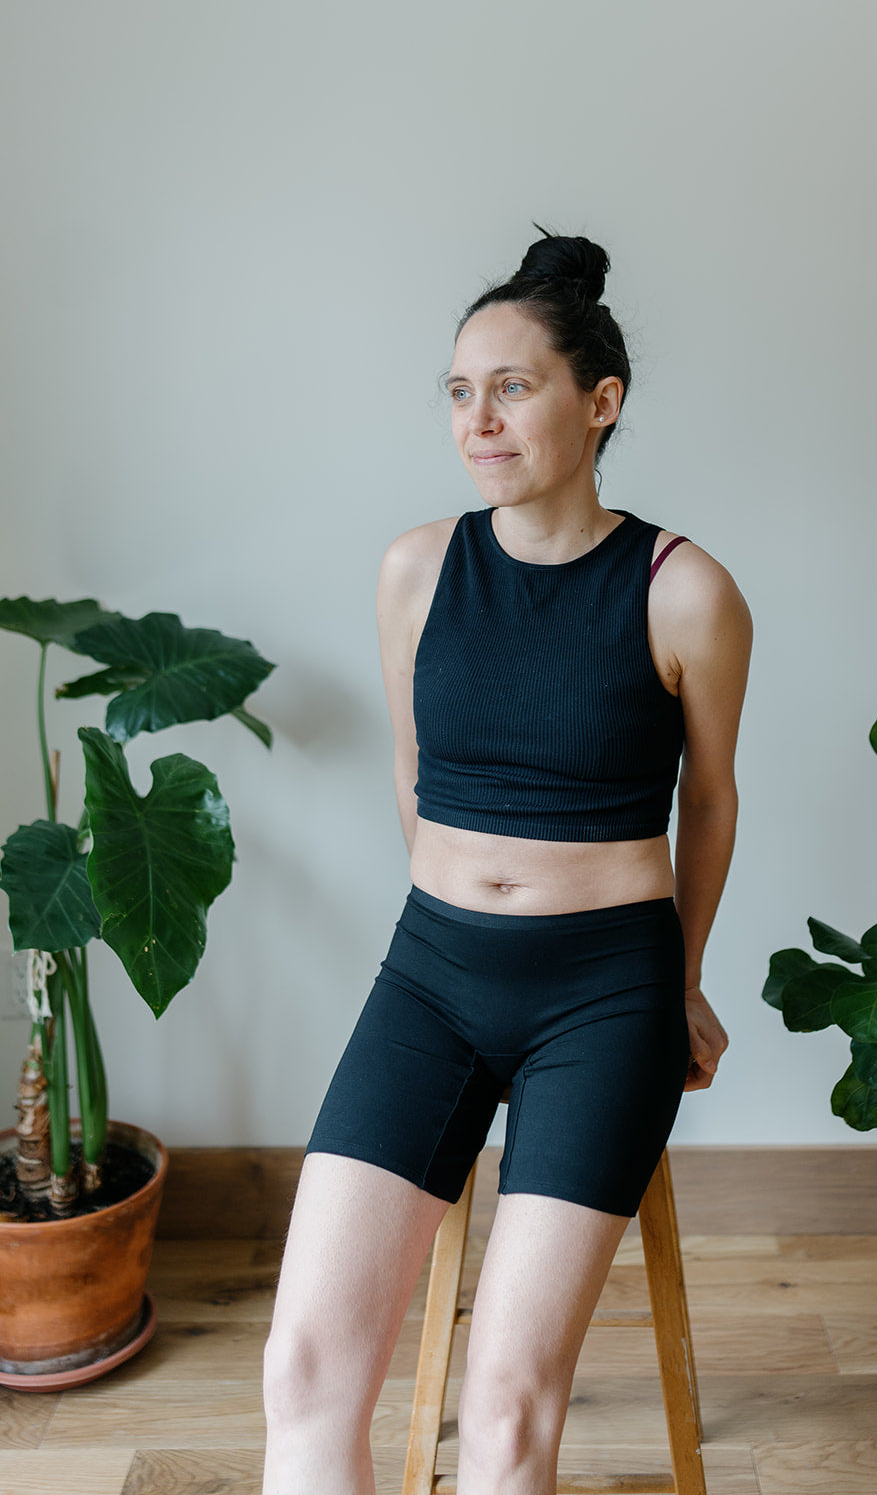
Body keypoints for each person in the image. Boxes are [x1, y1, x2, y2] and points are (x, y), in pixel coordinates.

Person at [262, 231, 752, 1495]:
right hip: (430, 974)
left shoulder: (682, 590)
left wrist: (678, 981)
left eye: (512, 386)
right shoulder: (415, 568)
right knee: (305, 1369)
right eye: (458, 391)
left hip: (603, 995)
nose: (477, 418)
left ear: (600, 402)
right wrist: (459, 908)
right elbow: (412, 770)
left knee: (505, 1407)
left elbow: (708, 805)